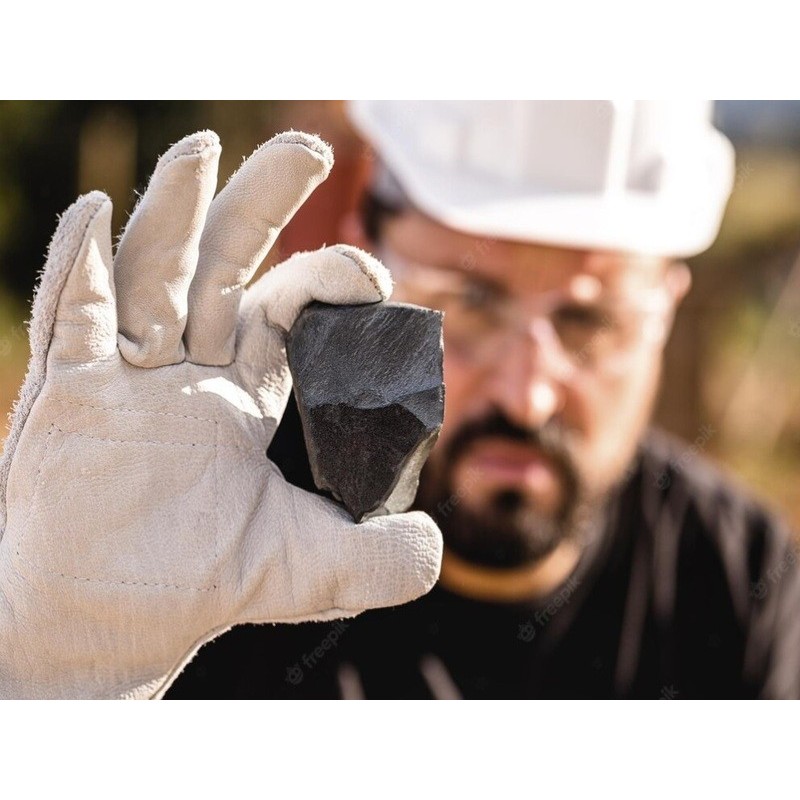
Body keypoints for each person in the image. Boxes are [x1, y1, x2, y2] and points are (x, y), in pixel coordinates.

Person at [167, 101, 800, 699]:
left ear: (667, 310)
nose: (527, 398)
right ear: (357, 264)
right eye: (470, 302)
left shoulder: (741, 586)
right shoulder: (219, 550)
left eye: (592, 323)